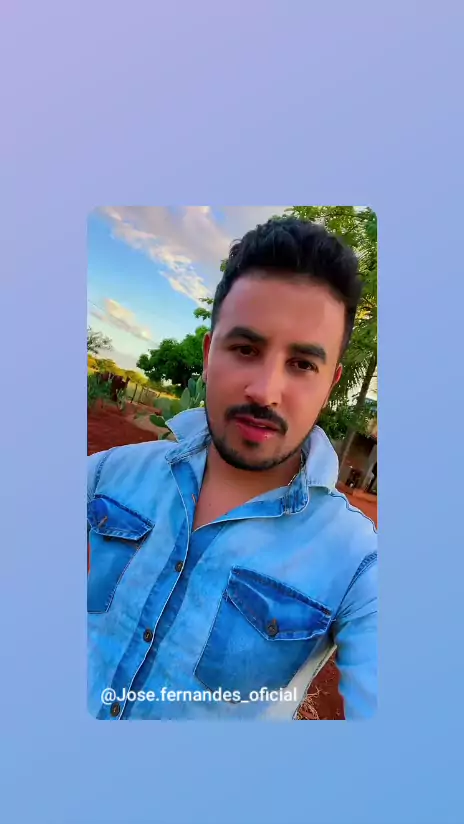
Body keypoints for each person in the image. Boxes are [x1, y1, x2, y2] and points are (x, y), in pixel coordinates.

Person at [87, 216, 377, 721]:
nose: (265, 391)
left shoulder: (358, 563)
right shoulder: (108, 475)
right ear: (209, 354)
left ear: (329, 385)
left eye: (302, 364)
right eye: (245, 349)